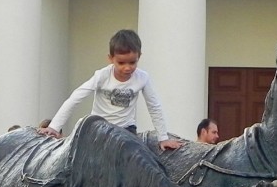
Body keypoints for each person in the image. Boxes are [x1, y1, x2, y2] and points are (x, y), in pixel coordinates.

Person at [38, 29, 182, 150]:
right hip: (99, 127)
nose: (127, 68)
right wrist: (54, 127)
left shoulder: (142, 78)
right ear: (110, 58)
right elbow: (76, 98)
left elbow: (154, 106)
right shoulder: (102, 76)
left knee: (135, 160)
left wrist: (163, 138)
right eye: (121, 63)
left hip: (126, 129)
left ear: (139, 57)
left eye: (132, 62)